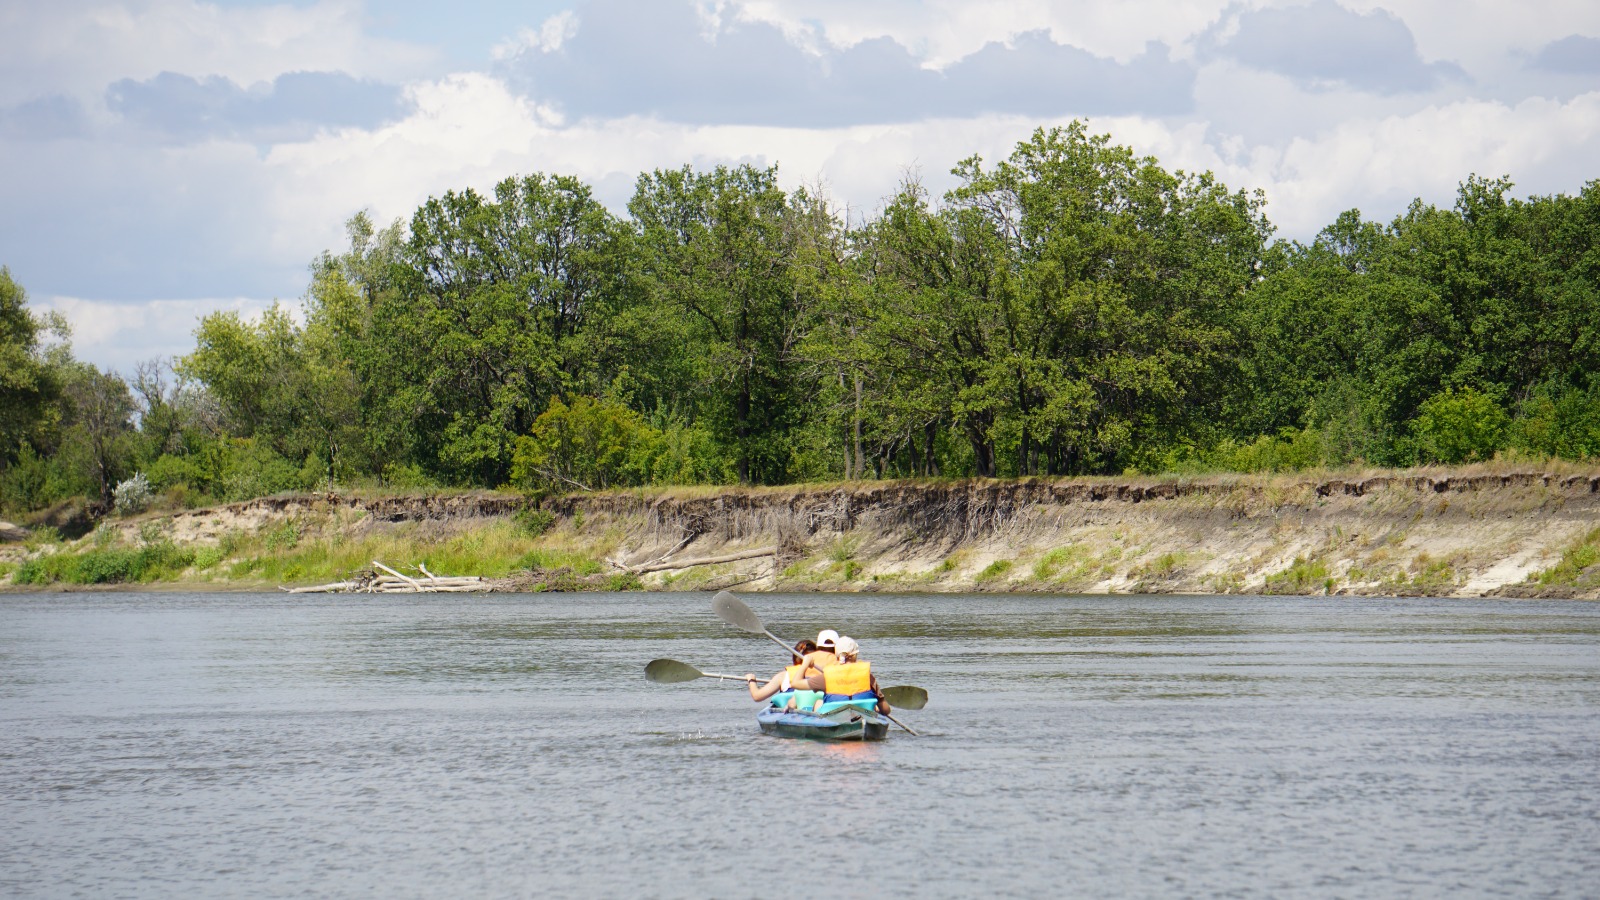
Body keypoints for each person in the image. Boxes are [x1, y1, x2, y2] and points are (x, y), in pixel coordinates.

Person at [799, 636, 890, 714]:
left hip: (833, 716)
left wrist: (805, 664)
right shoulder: (868, 677)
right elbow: (886, 710)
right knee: (874, 707)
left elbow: (796, 683)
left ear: (837, 656)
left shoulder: (827, 676)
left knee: (819, 702)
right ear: (854, 655)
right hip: (863, 715)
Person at [745, 639, 821, 708]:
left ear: (794, 658)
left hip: (790, 711)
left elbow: (757, 696)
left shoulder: (784, 676)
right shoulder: (823, 674)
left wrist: (751, 680)